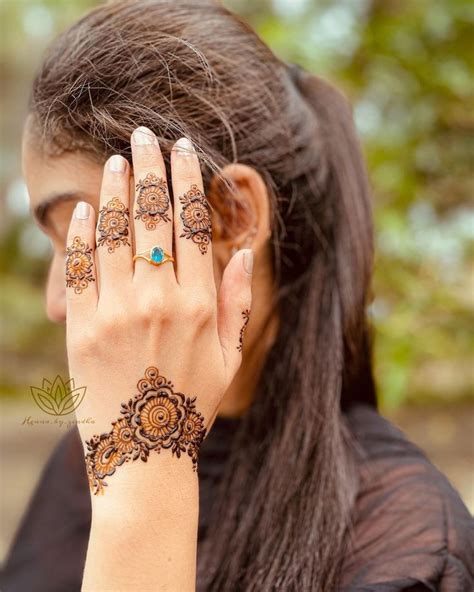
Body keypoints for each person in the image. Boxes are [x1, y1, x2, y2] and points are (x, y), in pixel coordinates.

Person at [2, 1, 473, 590]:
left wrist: (150, 466)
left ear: (229, 215)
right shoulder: (83, 462)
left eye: (83, 238)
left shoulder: (409, 548)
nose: (56, 301)